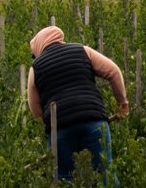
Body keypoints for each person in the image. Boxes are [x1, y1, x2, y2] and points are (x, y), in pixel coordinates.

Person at [27, 25, 128, 180]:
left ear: (39, 46)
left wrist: (48, 125)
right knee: (104, 173)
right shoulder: (83, 51)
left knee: (63, 178)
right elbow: (113, 72)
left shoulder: (35, 68)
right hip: (93, 120)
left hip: (60, 128)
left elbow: (34, 106)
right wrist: (122, 104)